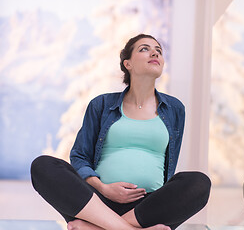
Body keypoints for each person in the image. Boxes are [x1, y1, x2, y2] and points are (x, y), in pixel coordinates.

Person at [31, 34, 211, 230]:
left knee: (199, 183)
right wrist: (103, 188)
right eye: (144, 49)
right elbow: (80, 156)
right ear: (128, 64)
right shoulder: (102, 104)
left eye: (158, 50)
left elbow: (169, 165)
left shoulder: (174, 109)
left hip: (148, 208)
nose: (154, 53)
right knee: (43, 166)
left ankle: (98, 228)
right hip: (95, 204)